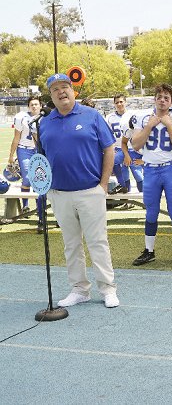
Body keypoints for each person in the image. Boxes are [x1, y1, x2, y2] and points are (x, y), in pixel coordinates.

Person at [38, 73, 119, 308]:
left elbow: (109, 148)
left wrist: (103, 185)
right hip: (59, 193)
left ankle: (108, 289)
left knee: (97, 242)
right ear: (51, 95)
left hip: (90, 190)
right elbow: (40, 157)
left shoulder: (91, 115)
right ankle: (79, 289)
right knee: (71, 244)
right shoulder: (44, 122)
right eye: (55, 89)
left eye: (65, 87)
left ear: (73, 91)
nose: (61, 92)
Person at [131, 83, 172, 266]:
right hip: (150, 169)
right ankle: (149, 251)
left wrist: (168, 126)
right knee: (151, 211)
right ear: (154, 99)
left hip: (171, 168)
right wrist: (149, 127)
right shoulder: (143, 118)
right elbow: (135, 145)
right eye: (159, 97)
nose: (162, 100)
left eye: (166, 98)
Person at [8, 95, 43, 230]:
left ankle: (41, 212)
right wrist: (11, 156)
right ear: (28, 106)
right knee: (28, 178)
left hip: (38, 150)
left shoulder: (44, 117)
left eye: (36, 104)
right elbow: (16, 137)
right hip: (24, 149)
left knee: (39, 181)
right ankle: (25, 205)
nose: (34, 106)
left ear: (40, 105)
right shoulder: (21, 117)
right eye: (32, 104)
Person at [106, 94, 143, 194]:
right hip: (119, 148)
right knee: (122, 174)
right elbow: (108, 135)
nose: (119, 104)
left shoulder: (133, 115)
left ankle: (145, 199)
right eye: (117, 102)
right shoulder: (110, 117)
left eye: (121, 101)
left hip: (134, 149)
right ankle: (126, 199)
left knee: (138, 174)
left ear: (125, 102)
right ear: (114, 104)